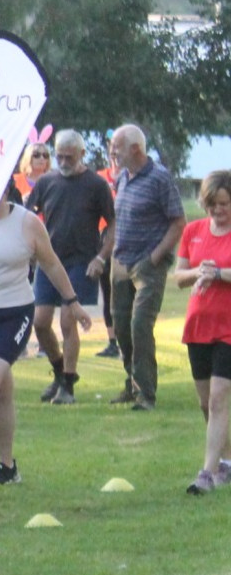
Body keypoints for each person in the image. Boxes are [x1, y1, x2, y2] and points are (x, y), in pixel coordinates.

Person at [0, 182, 91, 497]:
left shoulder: (26, 223)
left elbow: (51, 263)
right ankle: (7, 467)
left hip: (12, 314)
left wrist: (72, 301)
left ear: (6, 190)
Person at [89, 124, 186, 410]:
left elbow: (178, 222)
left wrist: (154, 258)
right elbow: (118, 222)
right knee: (121, 327)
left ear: (135, 149)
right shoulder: (122, 179)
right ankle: (131, 384)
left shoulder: (160, 178)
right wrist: (106, 256)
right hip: (120, 263)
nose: (112, 152)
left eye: (117, 146)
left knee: (140, 326)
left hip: (148, 267)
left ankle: (146, 394)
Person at [28, 130, 114, 405]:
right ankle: (59, 372)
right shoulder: (47, 181)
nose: (63, 162)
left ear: (82, 155)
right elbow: (29, 215)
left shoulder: (96, 185)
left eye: (69, 156)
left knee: (67, 321)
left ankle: (69, 384)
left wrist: (100, 258)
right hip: (49, 260)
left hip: (81, 262)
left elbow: (112, 225)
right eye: (60, 156)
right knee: (40, 322)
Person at [177, 172, 231, 494]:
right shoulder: (193, 231)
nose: (218, 210)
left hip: (229, 327)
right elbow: (179, 276)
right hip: (198, 325)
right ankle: (226, 461)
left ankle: (207, 474)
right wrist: (199, 271)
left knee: (218, 397)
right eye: (212, 204)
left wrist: (219, 273)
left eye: (224, 204)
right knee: (205, 403)